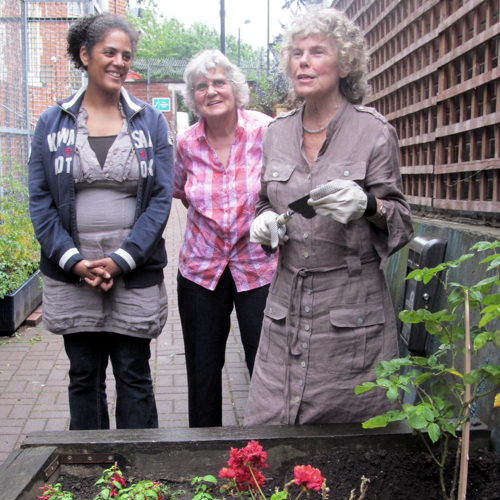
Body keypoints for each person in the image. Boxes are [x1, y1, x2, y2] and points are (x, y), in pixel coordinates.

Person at [244, 7, 413, 426]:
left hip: (350, 312)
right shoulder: (275, 134)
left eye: (317, 51)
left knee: (351, 442)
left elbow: (401, 222)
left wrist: (369, 207)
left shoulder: (373, 132)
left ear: (345, 63)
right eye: (296, 52)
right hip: (285, 308)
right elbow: (267, 202)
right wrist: (263, 223)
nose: (303, 61)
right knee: (270, 429)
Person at [29, 14, 173, 430]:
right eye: (110, 52)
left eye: (126, 55)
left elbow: (161, 198)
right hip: (72, 275)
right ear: (85, 55)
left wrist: (122, 259)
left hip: (134, 271)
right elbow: (40, 200)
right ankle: (90, 472)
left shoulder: (150, 121)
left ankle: (139, 477)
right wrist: (74, 261)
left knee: (133, 373)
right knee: (84, 375)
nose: (119, 62)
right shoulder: (51, 122)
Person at [173, 50, 276, 428]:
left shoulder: (266, 131)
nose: (211, 91)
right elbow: (180, 190)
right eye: (201, 86)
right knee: (202, 368)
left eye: (219, 82)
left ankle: (268, 447)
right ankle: (205, 455)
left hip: (258, 266)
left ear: (235, 88)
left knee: (265, 364)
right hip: (201, 269)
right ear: (193, 96)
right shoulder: (186, 143)